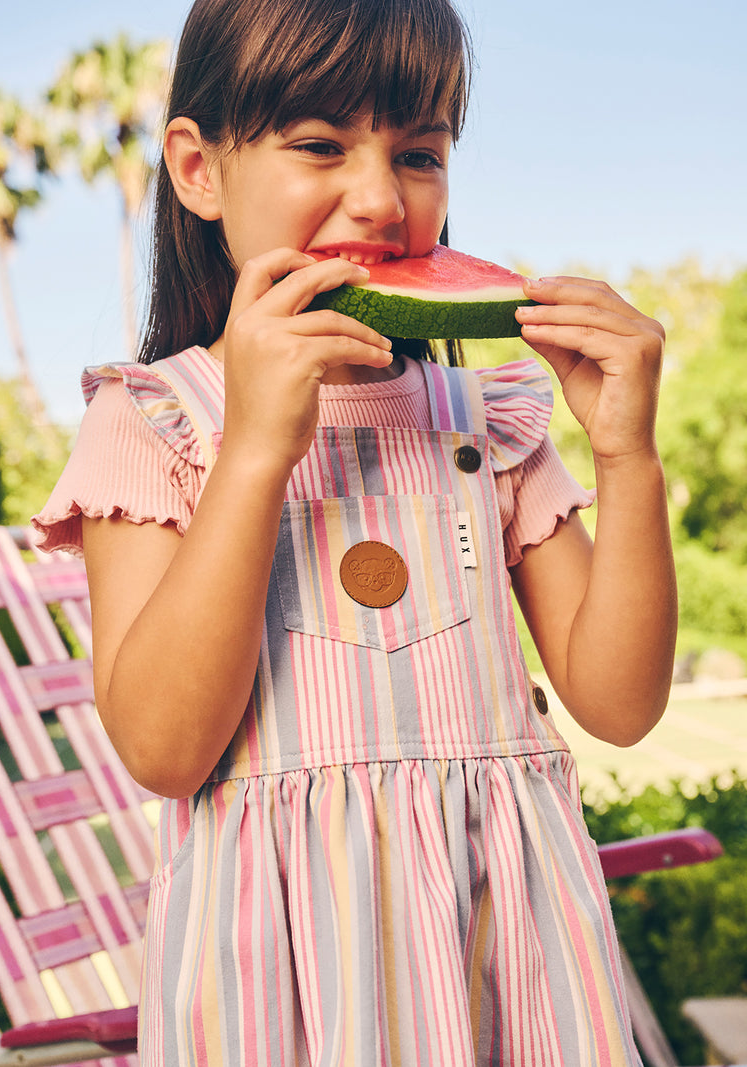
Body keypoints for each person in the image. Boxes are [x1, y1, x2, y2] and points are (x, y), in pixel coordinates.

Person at [34, 0, 676, 1062]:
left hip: (507, 951)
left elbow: (617, 702)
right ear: (198, 170)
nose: (378, 198)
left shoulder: (490, 419)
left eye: (417, 153)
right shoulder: (151, 420)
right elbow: (161, 746)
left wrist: (625, 455)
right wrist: (252, 455)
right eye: (321, 144)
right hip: (282, 977)